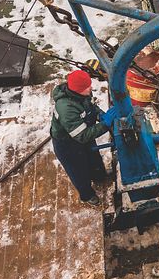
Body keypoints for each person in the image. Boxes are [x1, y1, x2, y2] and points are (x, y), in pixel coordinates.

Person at [50, 70, 118, 206]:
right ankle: (87, 195)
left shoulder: (83, 93)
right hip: (68, 144)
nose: (90, 88)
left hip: (84, 131)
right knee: (78, 171)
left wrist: (101, 115)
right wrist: (105, 124)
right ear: (77, 90)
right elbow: (82, 136)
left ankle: (99, 176)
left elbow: (91, 107)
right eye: (87, 87)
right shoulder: (66, 108)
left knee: (94, 158)